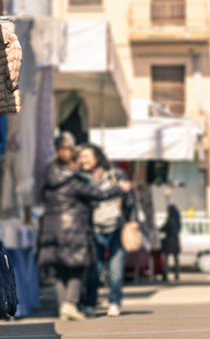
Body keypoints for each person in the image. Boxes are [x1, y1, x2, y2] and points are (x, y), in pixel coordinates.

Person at [37, 133, 130, 321]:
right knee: (79, 266)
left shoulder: (49, 175)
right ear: (72, 163)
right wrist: (119, 188)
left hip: (50, 228)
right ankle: (70, 304)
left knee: (61, 270)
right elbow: (98, 194)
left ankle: (63, 307)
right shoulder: (73, 180)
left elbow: (40, 197)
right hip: (73, 229)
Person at [77, 144, 136, 318]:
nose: (84, 160)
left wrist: (133, 219)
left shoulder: (115, 174)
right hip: (93, 228)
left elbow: (130, 197)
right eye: (81, 156)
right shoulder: (80, 178)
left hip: (117, 226)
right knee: (95, 270)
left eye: (87, 155)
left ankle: (114, 302)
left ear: (97, 157)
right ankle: (90, 303)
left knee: (116, 270)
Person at [160, 204, 182, 281]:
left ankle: (165, 274)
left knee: (166, 258)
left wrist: (160, 229)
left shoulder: (170, 218)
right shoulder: (177, 218)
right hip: (175, 239)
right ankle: (176, 274)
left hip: (169, 239)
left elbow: (165, 227)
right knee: (175, 259)